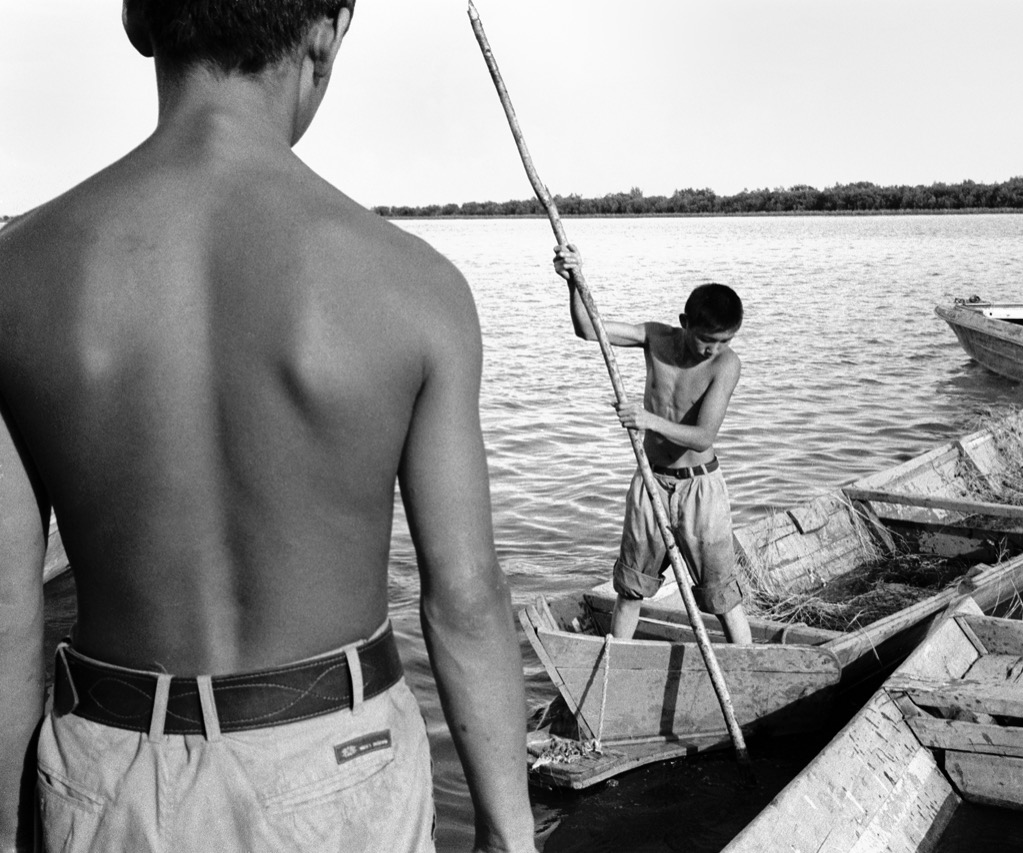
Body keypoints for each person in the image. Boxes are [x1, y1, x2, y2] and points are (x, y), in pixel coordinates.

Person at [0, 3, 535, 852]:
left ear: (142, 21)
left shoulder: (16, 278)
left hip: (108, 775)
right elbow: (466, 597)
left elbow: (4, 605)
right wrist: (508, 833)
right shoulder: (416, 289)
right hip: (336, 765)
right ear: (327, 30)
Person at [552, 245, 753, 645]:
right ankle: (617, 662)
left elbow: (703, 436)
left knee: (720, 595)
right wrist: (573, 280)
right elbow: (589, 329)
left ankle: (746, 665)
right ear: (684, 323)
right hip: (652, 483)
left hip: (700, 490)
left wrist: (646, 420)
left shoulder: (725, 365)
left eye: (724, 340)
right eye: (706, 339)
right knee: (631, 586)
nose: (713, 348)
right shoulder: (656, 338)